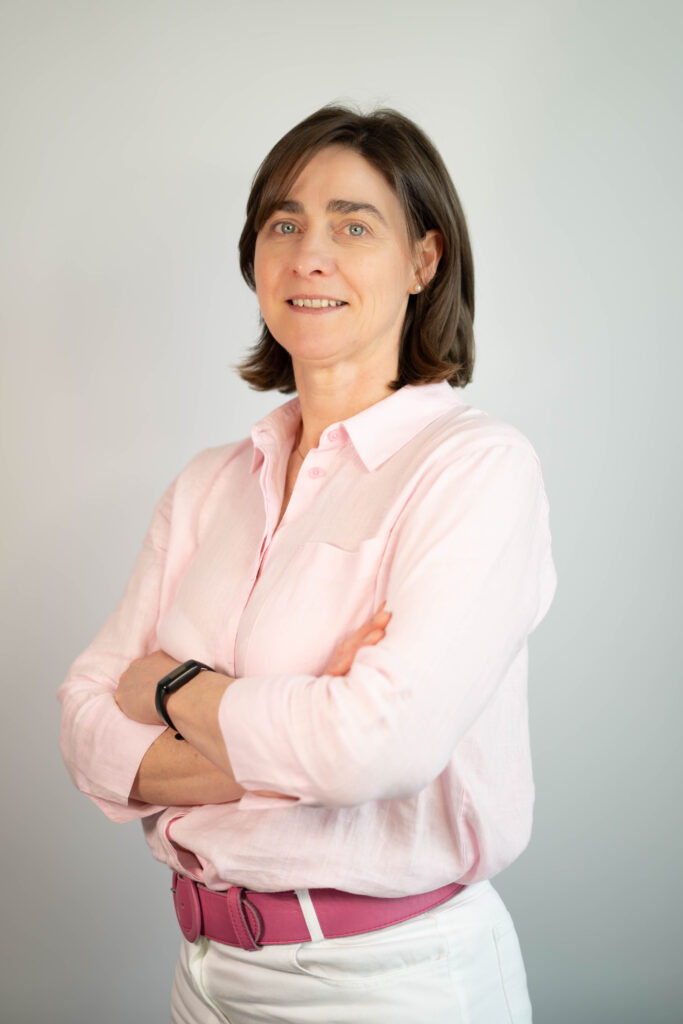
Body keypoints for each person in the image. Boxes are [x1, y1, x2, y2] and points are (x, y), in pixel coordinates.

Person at [58, 104, 557, 1023]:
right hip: (202, 975)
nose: (308, 255)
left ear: (424, 260)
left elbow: (372, 747)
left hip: (387, 982)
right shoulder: (208, 484)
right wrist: (295, 724)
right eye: (283, 224)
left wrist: (171, 687)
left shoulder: (476, 469)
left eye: (353, 226)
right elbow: (84, 725)